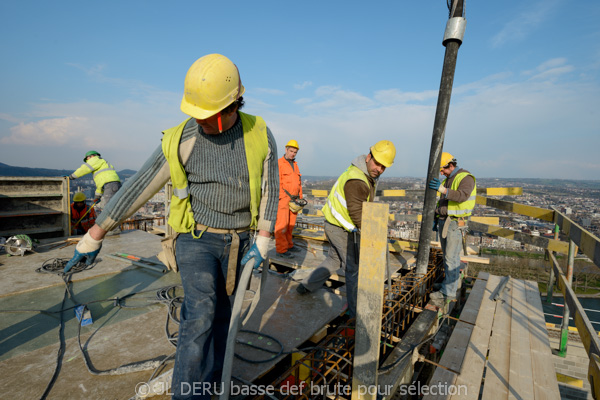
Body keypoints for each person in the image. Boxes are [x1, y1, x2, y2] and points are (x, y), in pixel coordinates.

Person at [64, 54, 279, 399]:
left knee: (225, 316)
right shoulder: (183, 138)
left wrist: (264, 236)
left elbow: (272, 188)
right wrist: (94, 235)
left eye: (205, 116)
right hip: (196, 239)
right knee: (201, 314)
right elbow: (138, 187)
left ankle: (212, 384)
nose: (197, 121)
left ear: (230, 108)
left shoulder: (259, 134)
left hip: (239, 241)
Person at [296, 140, 396, 319]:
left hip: (334, 223)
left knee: (334, 260)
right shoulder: (358, 180)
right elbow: (357, 212)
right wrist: (370, 234)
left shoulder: (360, 171)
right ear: (368, 157)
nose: (379, 169)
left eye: (383, 167)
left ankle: (306, 285)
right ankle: (355, 312)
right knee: (353, 268)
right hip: (340, 227)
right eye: (377, 163)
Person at [428, 152, 476, 302]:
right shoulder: (450, 179)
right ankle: (447, 286)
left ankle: (447, 293)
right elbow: (444, 202)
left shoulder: (466, 178)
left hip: (455, 223)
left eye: (442, 170)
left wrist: (443, 190)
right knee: (449, 257)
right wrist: (437, 216)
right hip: (446, 221)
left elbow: (462, 196)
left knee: (451, 259)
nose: (441, 173)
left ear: (450, 165)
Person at [275, 139, 304, 258]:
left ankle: (289, 245)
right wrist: (280, 197)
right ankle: (281, 249)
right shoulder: (279, 163)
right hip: (283, 199)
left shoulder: (295, 165)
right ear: (286, 149)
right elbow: (275, 182)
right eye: (291, 151)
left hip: (294, 200)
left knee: (291, 225)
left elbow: (298, 182)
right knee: (282, 225)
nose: (293, 154)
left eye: (295, 152)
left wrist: (300, 197)